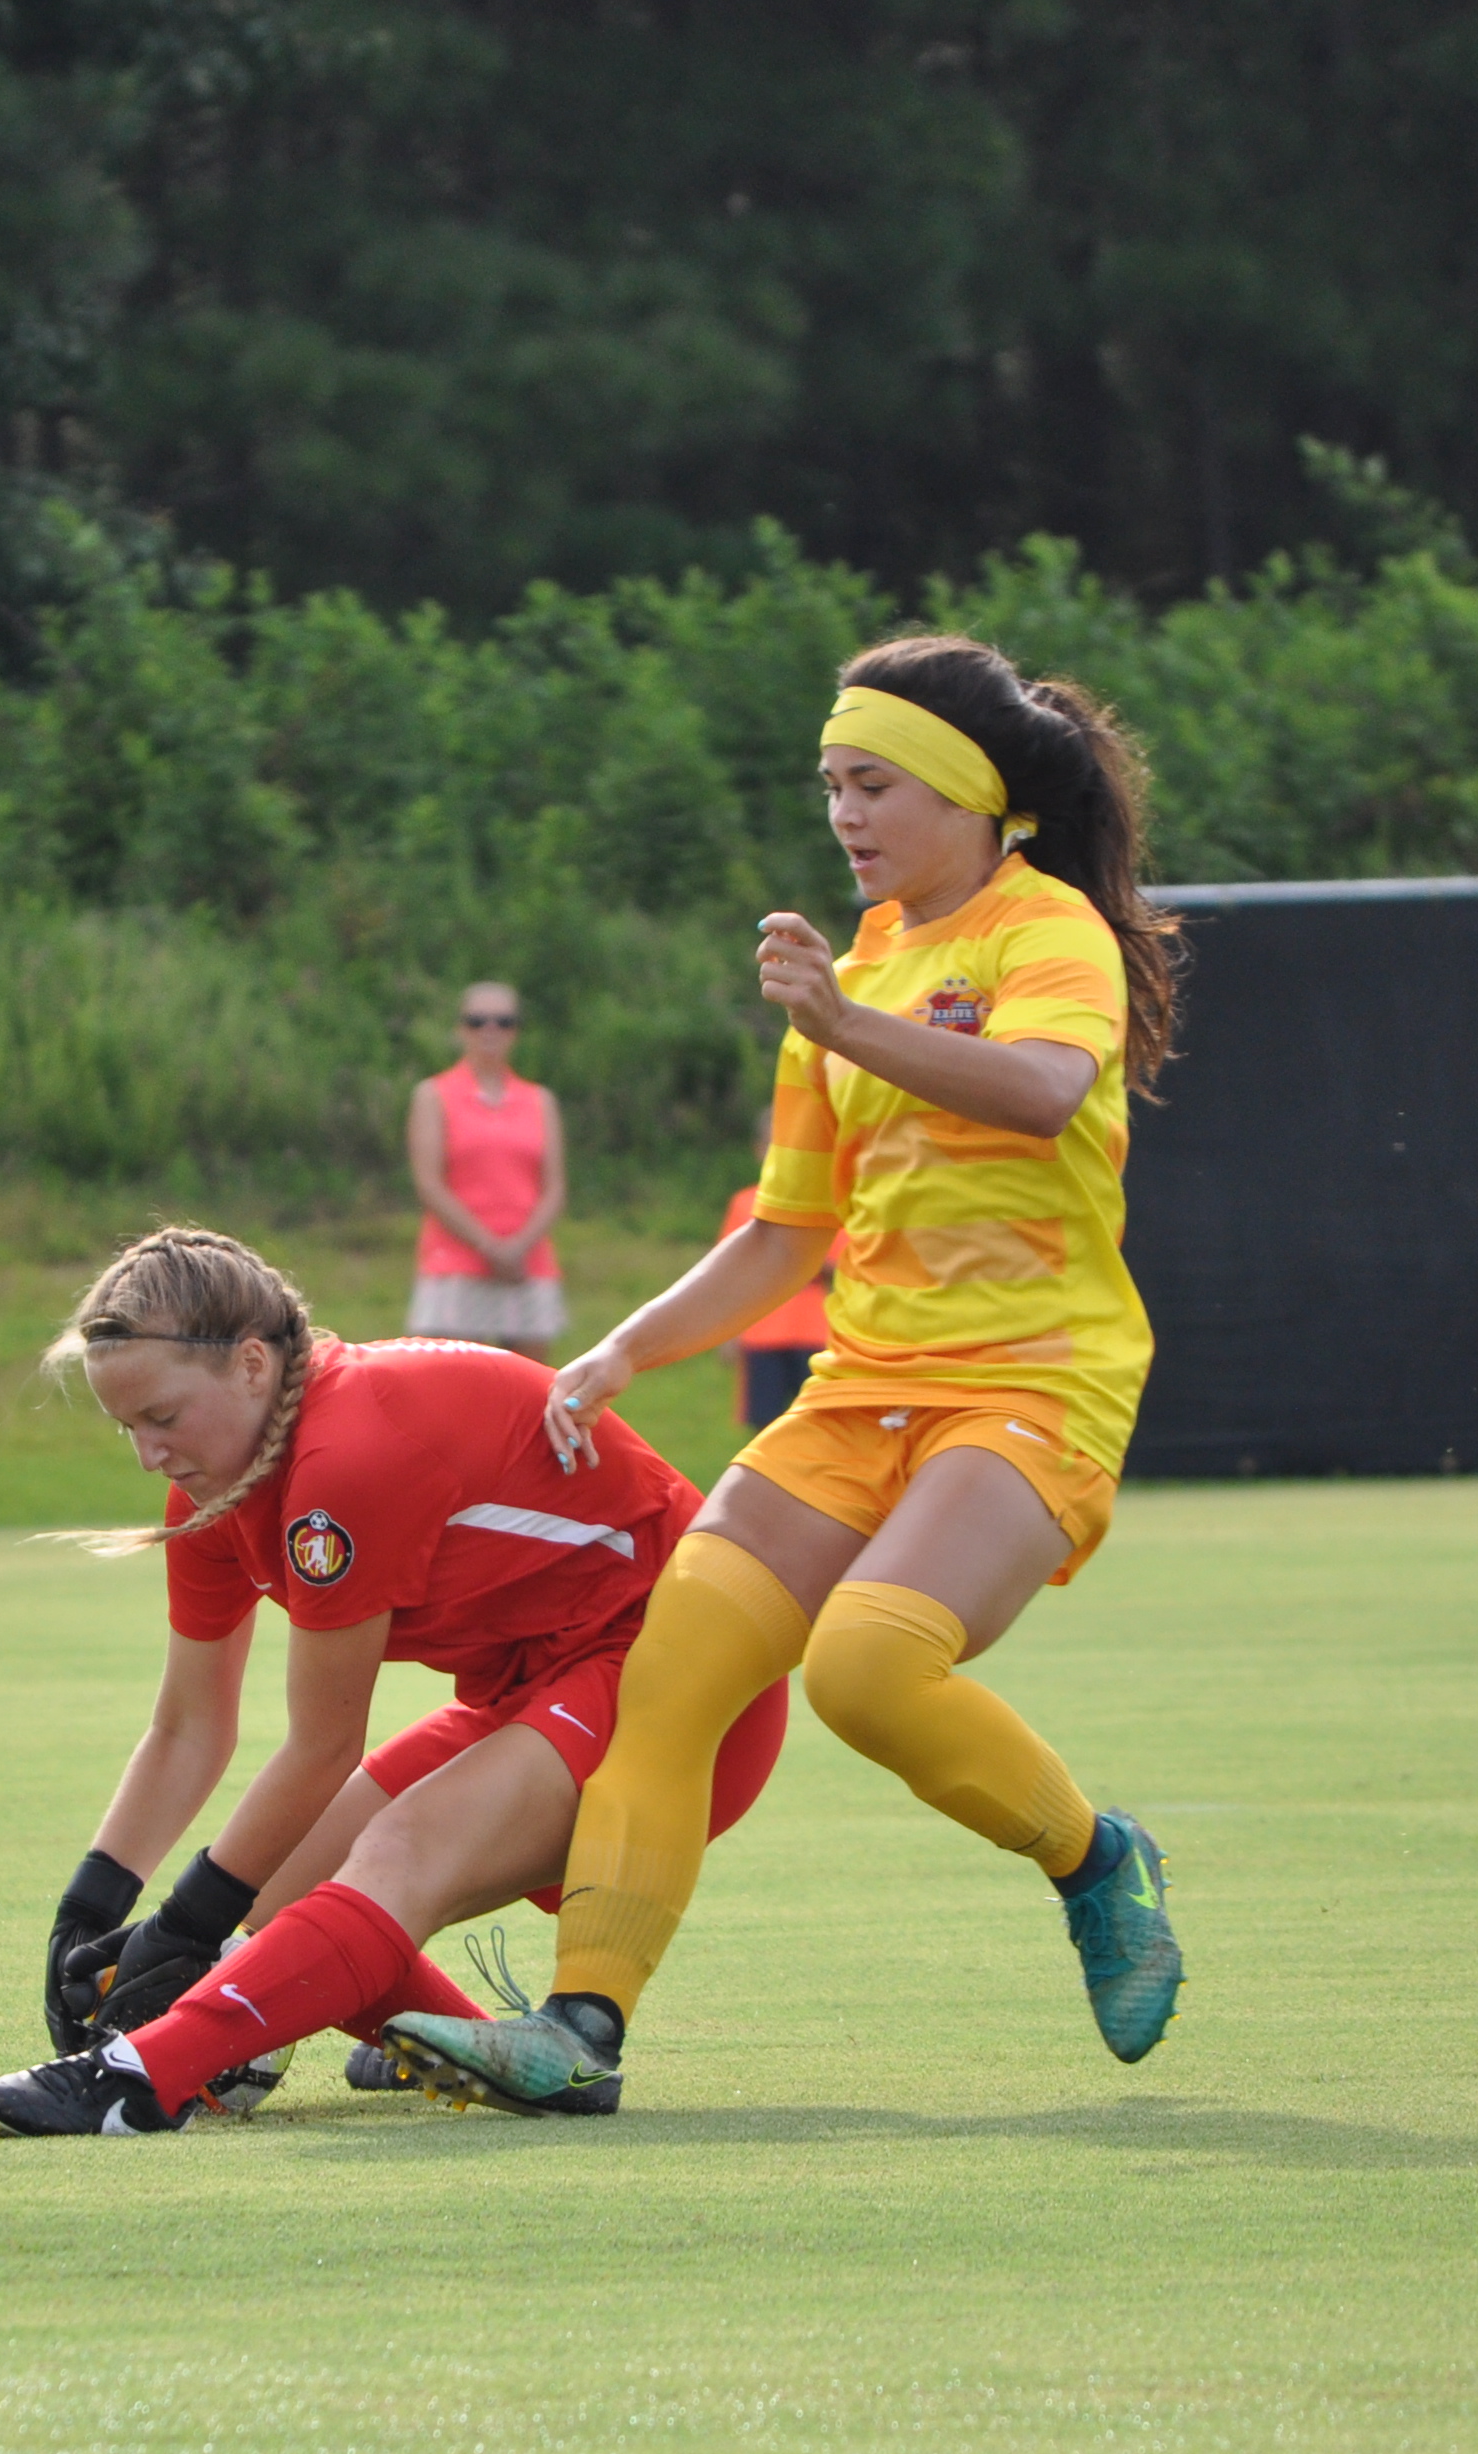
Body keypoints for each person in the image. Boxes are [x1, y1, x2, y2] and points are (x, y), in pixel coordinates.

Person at [384, 635, 1192, 2115]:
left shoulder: (1043, 932)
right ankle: (579, 2029)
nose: (844, 815)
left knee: (873, 1671)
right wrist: (628, 1345)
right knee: (665, 1683)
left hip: (1034, 1387)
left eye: (872, 782)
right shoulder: (862, 963)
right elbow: (786, 1234)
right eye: (829, 785)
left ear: (970, 790)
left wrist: (839, 1020)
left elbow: (1041, 1091)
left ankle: (1095, 1856)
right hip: (858, 1390)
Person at [0, 1227, 788, 2136]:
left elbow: (324, 1750)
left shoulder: (345, 1463)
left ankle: (136, 2083)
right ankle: (476, 2049)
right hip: (538, 1685)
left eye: (162, 1418)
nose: (147, 1455)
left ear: (252, 1365)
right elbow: (186, 1730)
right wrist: (90, 1910)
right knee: (280, 1902)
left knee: (390, 1856)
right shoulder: (216, 1490)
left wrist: (184, 1927)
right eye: (127, 1428)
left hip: (680, 1679)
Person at [403, 983, 566, 1348]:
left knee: (528, 1392)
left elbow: (553, 1188)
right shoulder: (435, 1095)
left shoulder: (539, 1101)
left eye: (503, 1021)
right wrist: (489, 1247)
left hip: (527, 1264)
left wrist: (519, 1247)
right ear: (462, 1029)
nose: (490, 1030)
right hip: (456, 1262)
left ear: (515, 1031)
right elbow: (429, 1184)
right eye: (478, 1021)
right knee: (452, 1388)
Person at [723, 1181, 828, 1431]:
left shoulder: (823, 1200)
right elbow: (730, 1267)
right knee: (764, 1421)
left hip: (811, 1329)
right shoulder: (745, 1202)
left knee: (818, 1418)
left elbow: (840, 1259)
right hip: (762, 1328)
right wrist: (728, 1332)